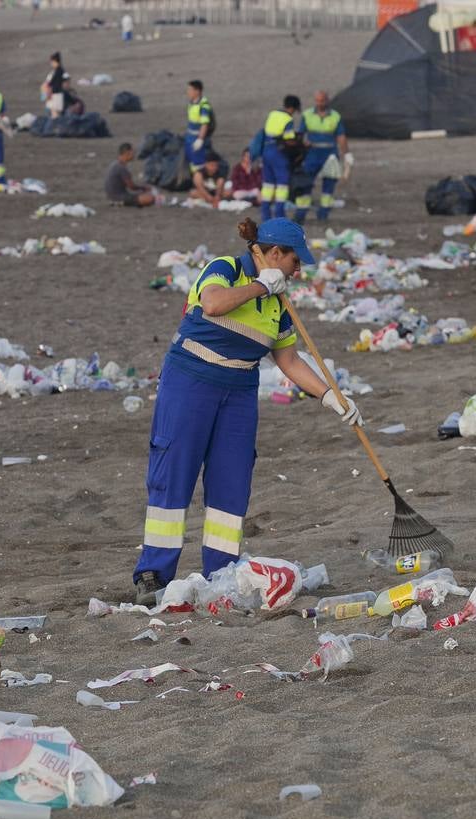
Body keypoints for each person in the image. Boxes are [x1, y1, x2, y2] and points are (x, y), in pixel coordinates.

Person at [132, 217, 363, 600]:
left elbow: (288, 361)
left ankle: (220, 575)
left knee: (232, 480)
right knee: (173, 473)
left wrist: (331, 397)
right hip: (191, 380)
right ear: (274, 253)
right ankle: (153, 574)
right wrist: (259, 285)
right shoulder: (227, 269)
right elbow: (213, 303)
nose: (298, 269)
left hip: (239, 390)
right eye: (294, 261)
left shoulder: (279, 303)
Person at [295, 90, 352, 226]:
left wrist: (346, 154)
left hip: (330, 154)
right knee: (305, 184)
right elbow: (300, 135)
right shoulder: (307, 115)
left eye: (323, 100)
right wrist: (302, 146)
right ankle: (300, 215)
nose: (320, 103)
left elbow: (341, 136)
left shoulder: (335, 116)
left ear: (327, 101)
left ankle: (323, 214)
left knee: (329, 186)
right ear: (315, 101)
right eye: (318, 100)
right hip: (312, 154)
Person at [254, 95, 303, 221]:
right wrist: (300, 143)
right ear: (293, 108)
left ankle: (265, 214)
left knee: (268, 184)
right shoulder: (288, 119)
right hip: (278, 153)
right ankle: (280, 215)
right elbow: (289, 139)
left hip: (266, 151)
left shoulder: (273, 114)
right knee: (282, 185)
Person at [105, 143, 157, 207]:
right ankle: (121, 203)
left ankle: (119, 202)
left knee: (141, 194)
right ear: (127, 153)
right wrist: (144, 188)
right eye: (132, 152)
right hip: (119, 197)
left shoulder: (114, 164)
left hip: (111, 196)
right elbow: (132, 187)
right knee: (150, 198)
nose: (134, 155)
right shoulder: (121, 168)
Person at [184, 80, 213, 177]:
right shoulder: (192, 103)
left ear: (197, 91)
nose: (188, 92)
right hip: (190, 137)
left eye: (190, 90)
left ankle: (203, 182)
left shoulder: (203, 106)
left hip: (197, 138)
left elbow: (205, 124)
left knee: (199, 164)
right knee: (192, 163)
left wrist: (200, 140)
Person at [44, 52, 68, 118]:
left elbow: (51, 84)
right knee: (53, 114)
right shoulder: (60, 71)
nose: (51, 64)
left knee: (54, 115)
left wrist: (47, 92)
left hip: (56, 95)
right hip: (56, 95)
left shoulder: (57, 71)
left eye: (51, 62)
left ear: (54, 61)